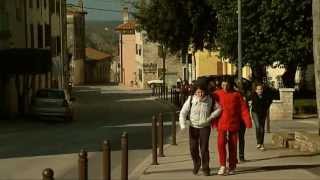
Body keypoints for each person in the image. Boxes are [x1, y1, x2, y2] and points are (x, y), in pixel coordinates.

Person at [179, 80, 221, 176]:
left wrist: (211, 117)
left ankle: (206, 168)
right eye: (198, 92)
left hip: (205, 127)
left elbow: (219, 109)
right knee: (193, 148)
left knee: (204, 148)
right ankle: (197, 163)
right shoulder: (191, 100)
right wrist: (183, 125)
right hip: (193, 127)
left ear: (205, 91)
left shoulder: (210, 99)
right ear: (195, 92)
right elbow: (183, 113)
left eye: (202, 92)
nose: (200, 94)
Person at [212, 77, 252, 175]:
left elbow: (243, 109)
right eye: (223, 85)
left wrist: (247, 121)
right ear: (221, 85)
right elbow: (211, 107)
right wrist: (212, 121)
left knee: (233, 146)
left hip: (234, 123)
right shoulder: (216, 94)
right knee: (221, 144)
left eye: (227, 85)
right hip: (221, 123)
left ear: (230, 85)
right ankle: (222, 165)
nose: (225, 87)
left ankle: (232, 166)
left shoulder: (236, 95)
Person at [251, 83, 273, 151]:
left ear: (262, 90)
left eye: (261, 89)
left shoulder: (265, 96)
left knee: (262, 128)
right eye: (258, 89)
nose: (259, 90)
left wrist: (267, 107)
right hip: (255, 113)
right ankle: (258, 142)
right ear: (256, 90)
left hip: (263, 113)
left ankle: (261, 143)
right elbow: (249, 101)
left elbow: (270, 100)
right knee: (258, 126)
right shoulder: (253, 96)